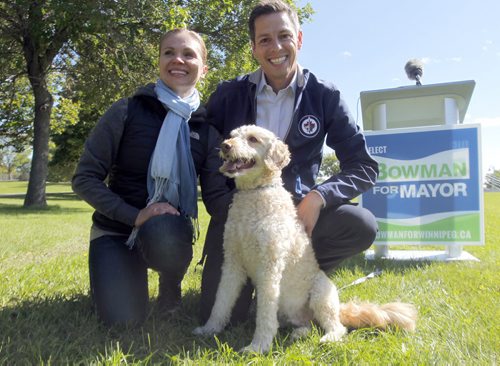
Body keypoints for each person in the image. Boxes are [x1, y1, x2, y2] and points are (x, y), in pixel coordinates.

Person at [199, 0, 380, 324]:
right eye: (265, 39)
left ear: (299, 38)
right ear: (254, 47)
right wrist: (224, 207)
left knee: (360, 223)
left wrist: (318, 197)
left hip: (295, 215)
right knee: (220, 315)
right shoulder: (229, 93)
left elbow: (363, 165)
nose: (276, 47)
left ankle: (298, 290)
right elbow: (204, 147)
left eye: (284, 36)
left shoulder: (325, 95)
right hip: (238, 212)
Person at [72, 28, 225, 327]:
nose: (177, 59)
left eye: (188, 54)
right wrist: (135, 215)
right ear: (159, 61)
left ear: (203, 69)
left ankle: (170, 281)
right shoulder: (126, 110)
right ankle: (117, 273)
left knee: (164, 229)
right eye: (169, 52)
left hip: (166, 233)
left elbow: (217, 196)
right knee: (122, 322)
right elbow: (85, 178)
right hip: (115, 229)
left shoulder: (207, 131)